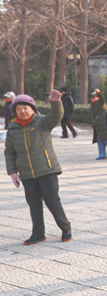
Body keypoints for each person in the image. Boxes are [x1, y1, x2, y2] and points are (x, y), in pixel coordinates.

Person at [5, 91, 72, 245]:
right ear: (15, 112)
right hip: (27, 173)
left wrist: (56, 103)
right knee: (34, 203)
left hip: (46, 169)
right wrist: (13, 172)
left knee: (52, 200)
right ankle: (38, 234)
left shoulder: (42, 122)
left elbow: (56, 116)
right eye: (19, 109)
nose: (22, 111)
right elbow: (9, 152)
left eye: (25, 108)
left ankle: (65, 228)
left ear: (33, 109)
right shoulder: (13, 129)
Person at [89, 89, 107, 160]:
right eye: (91, 97)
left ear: (97, 97)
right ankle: (102, 154)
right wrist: (93, 124)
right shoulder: (92, 105)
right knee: (100, 141)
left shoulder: (101, 103)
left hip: (104, 125)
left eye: (94, 97)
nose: (92, 98)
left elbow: (103, 99)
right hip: (98, 126)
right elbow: (92, 116)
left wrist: (99, 93)